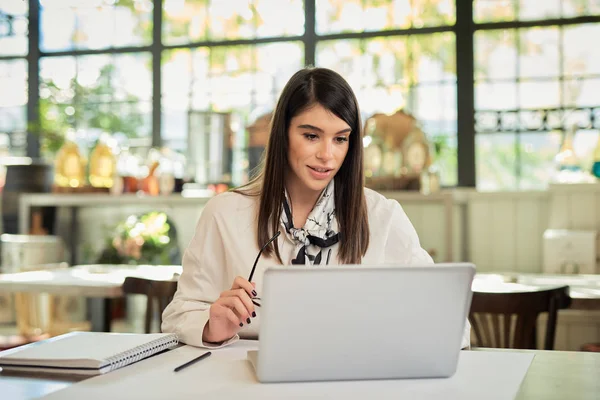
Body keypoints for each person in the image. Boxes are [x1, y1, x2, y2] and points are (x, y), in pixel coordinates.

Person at [161, 67, 470, 349]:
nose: (327, 155)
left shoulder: (382, 216)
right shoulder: (225, 213)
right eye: (311, 136)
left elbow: (454, 325)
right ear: (283, 134)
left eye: (340, 139)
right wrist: (212, 327)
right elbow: (180, 313)